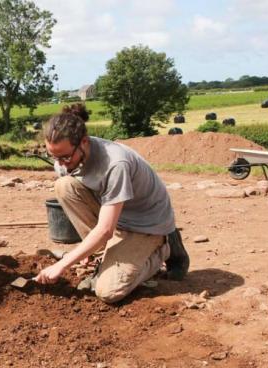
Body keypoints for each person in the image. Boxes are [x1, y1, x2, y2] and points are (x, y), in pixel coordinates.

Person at [35, 105, 189, 303]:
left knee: (108, 292)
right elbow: (91, 204)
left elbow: (106, 230)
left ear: (84, 142)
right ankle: (103, 258)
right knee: (64, 186)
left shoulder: (115, 164)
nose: (60, 164)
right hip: (119, 215)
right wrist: (86, 251)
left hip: (147, 224)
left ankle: (164, 245)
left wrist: (63, 263)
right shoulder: (66, 159)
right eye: (54, 157)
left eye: (65, 157)